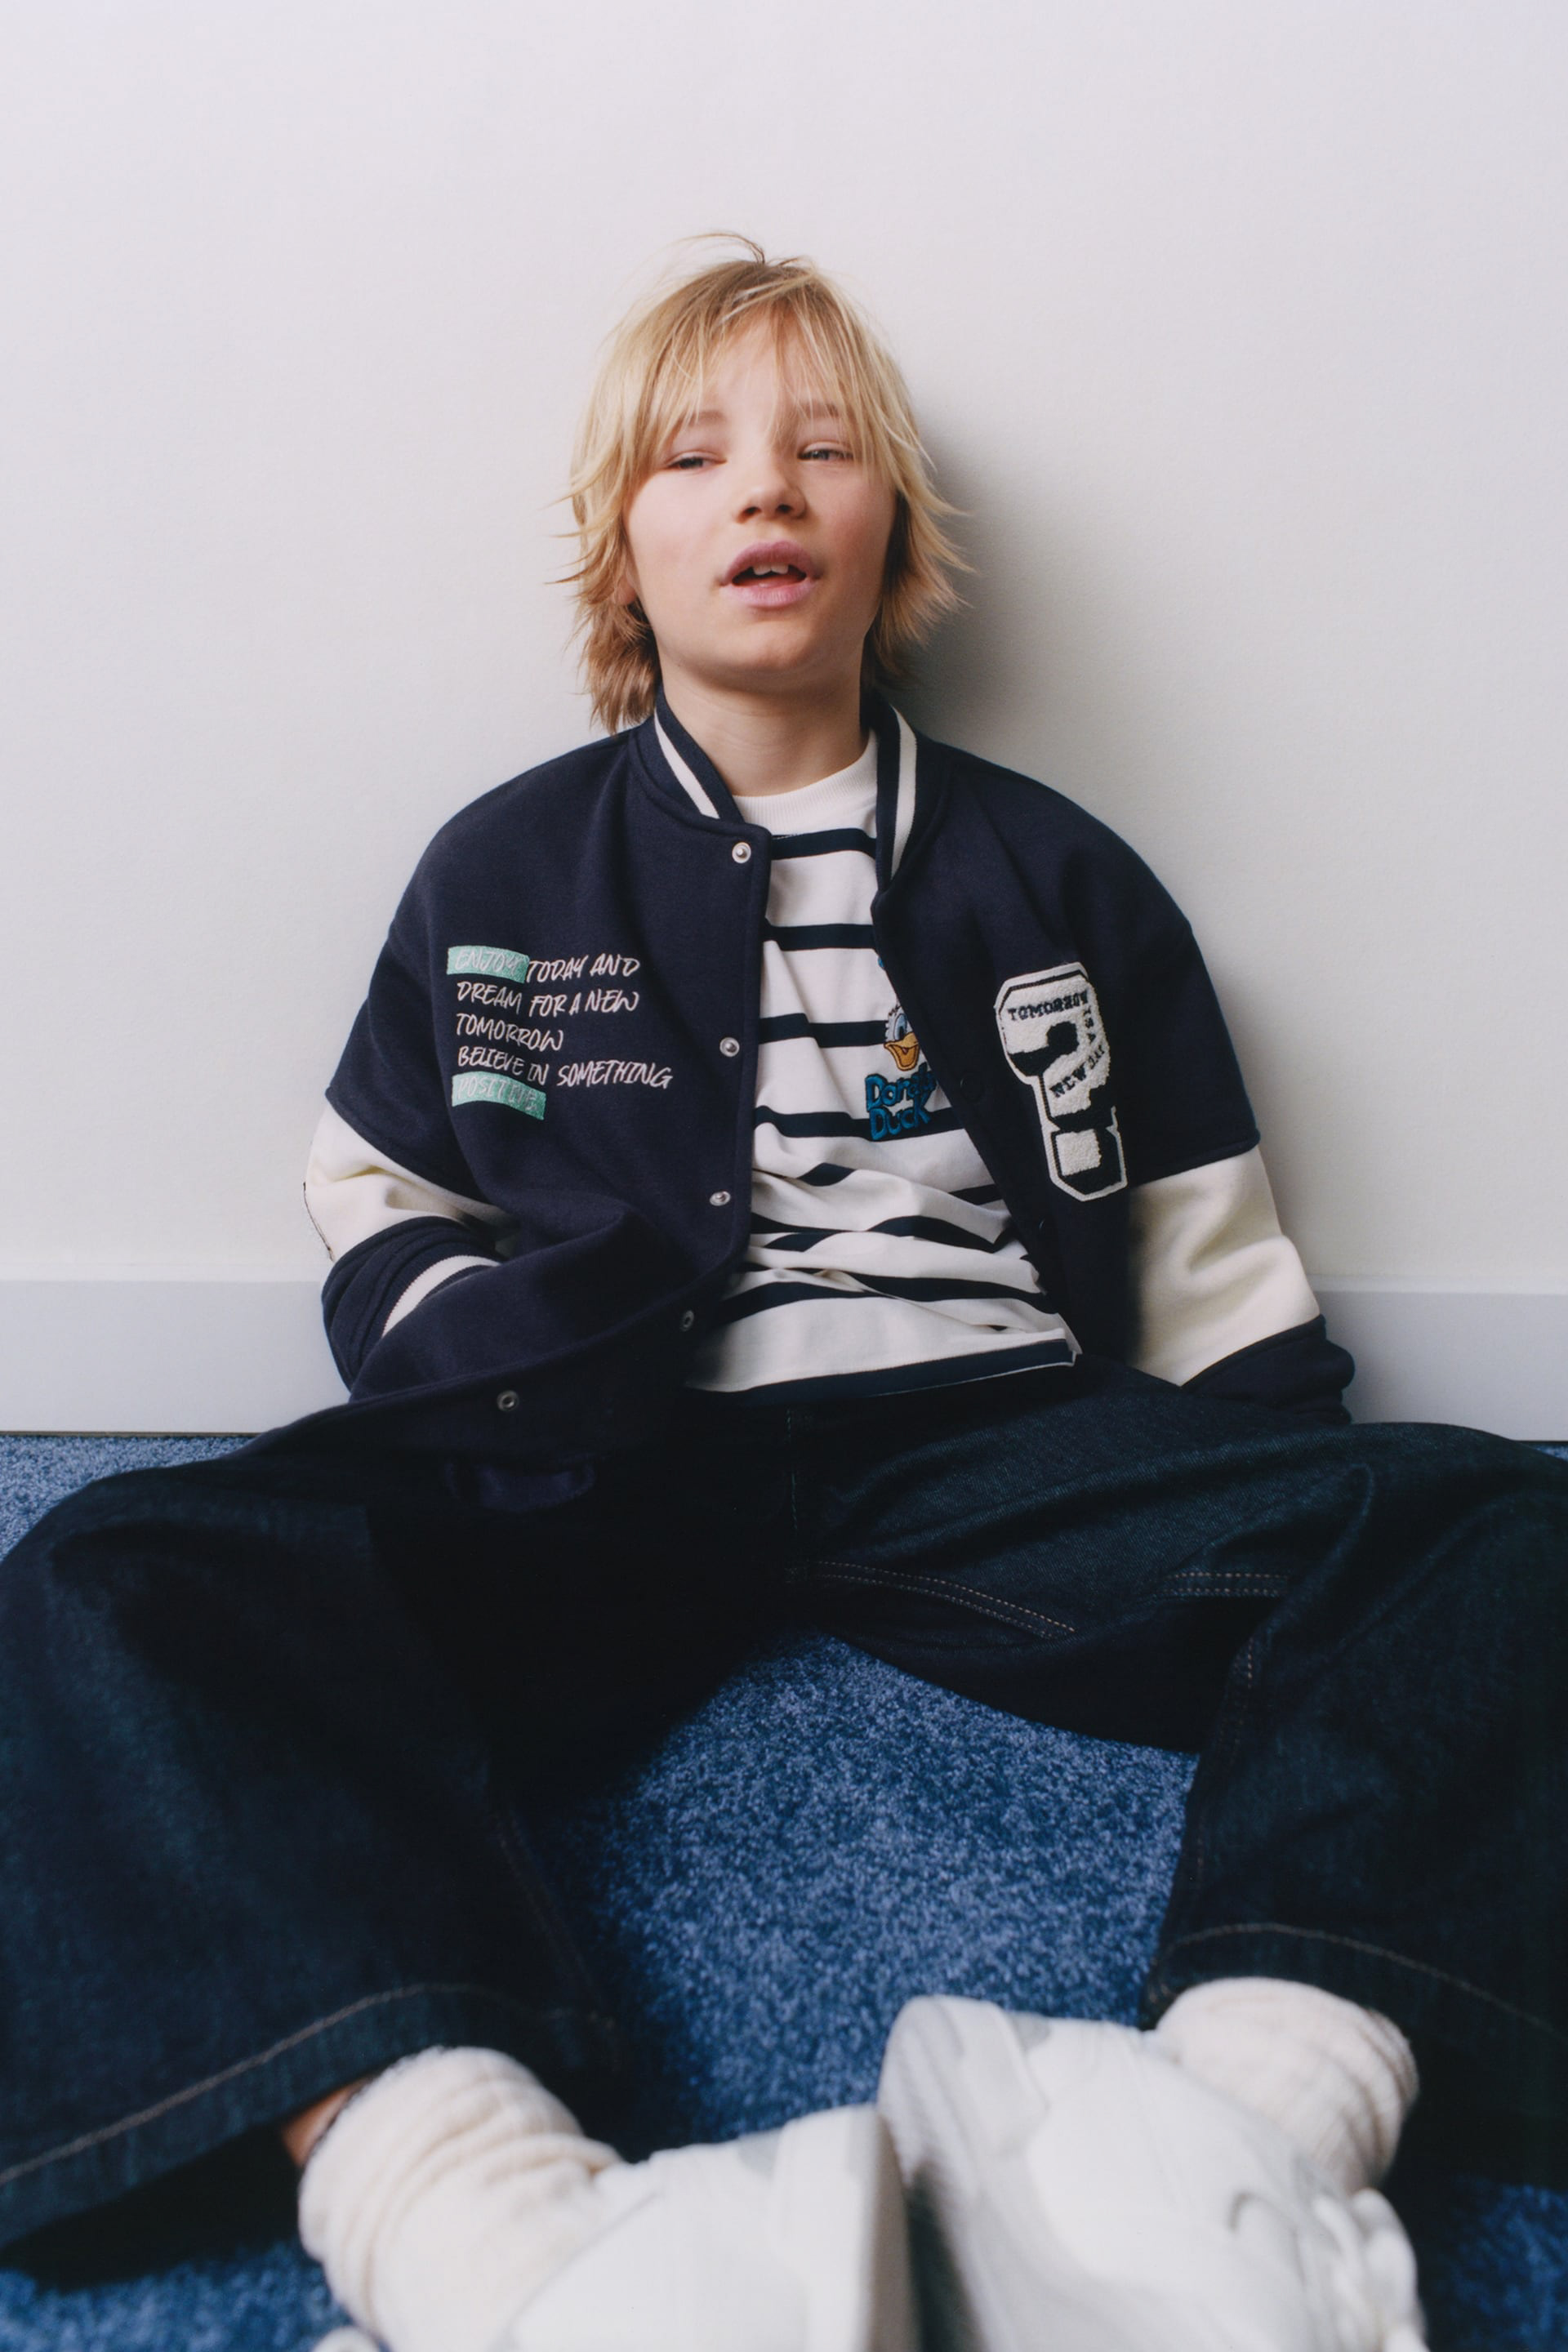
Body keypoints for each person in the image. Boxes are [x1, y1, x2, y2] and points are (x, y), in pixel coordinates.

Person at [2, 240, 1563, 2352]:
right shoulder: (503, 872)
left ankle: (1234, 2149)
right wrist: (473, 1375)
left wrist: (1286, 1520)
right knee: (117, 1576)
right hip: (610, 1450)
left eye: (824, 450)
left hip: (988, 1439)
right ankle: (485, 2227)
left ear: (893, 532)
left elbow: (1201, 1232)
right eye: (697, 457)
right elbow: (382, 1182)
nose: (764, 487)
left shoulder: (1060, 876)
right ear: (620, 551)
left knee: (1500, 1528)